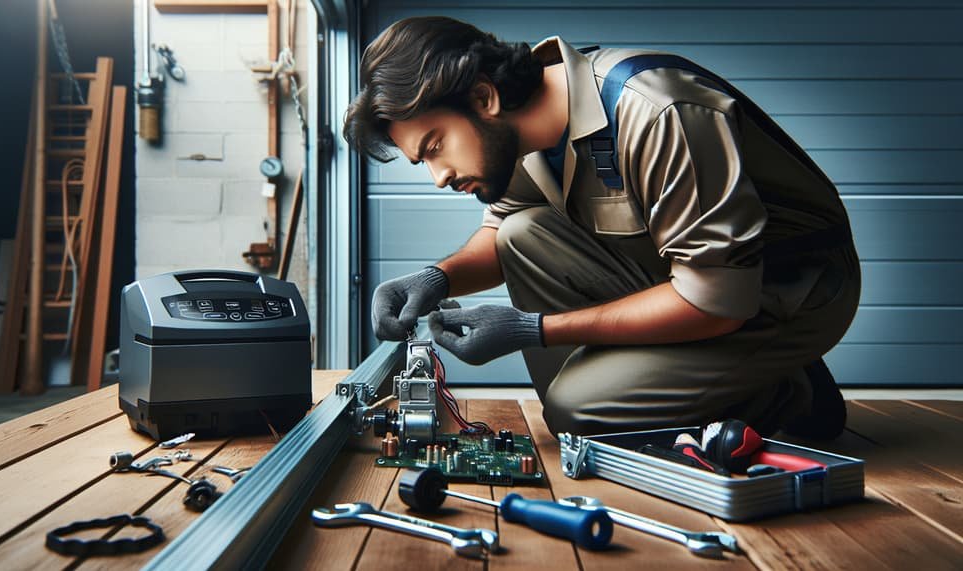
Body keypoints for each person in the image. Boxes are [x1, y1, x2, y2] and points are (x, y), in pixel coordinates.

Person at [343, 16, 860, 440]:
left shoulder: (655, 111)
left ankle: (793, 394)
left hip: (789, 291)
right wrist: (436, 280)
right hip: (689, 280)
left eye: (435, 147)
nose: (439, 178)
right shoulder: (517, 137)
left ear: (484, 98)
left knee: (576, 409)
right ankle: (651, 393)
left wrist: (532, 329)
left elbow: (718, 299)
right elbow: (502, 237)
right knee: (523, 233)